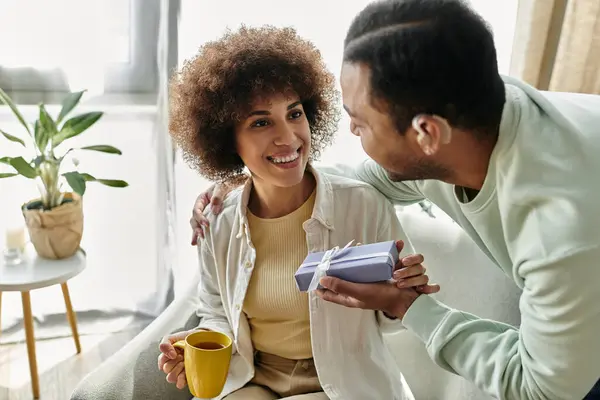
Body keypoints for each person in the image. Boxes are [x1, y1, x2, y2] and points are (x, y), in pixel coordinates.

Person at [189, 1, 600, 399]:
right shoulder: (469, 102)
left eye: (362, 122)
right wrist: (242, 179)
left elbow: (543, 388)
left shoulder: (560, 230)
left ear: (426, 134)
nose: (348, 130)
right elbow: (359, 180)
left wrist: (409, 306)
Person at [159, 25, 439, 400]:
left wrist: (401, 298)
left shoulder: (362, 204)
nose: (288, 137)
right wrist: (201, 343)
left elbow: (395, 321)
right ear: (228, 142)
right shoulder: (216, 221)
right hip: (253, 380)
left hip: (340, 384)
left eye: (294, 114)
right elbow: (217, 312)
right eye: (261, 122)